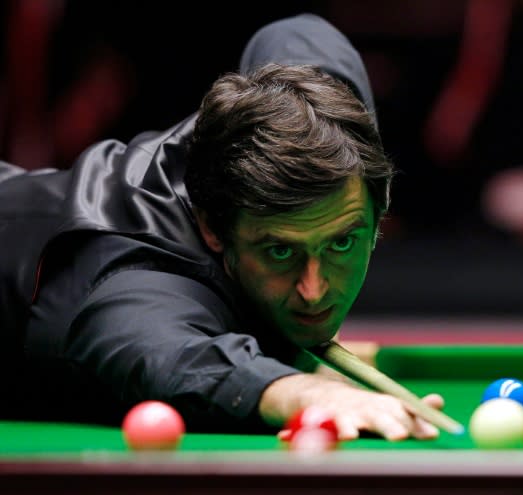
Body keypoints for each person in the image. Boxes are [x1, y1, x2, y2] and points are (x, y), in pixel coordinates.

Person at [0, 14, 442, 441]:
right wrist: (303, 392)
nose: (315, 289)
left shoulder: (321, 116)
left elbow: (298, 32)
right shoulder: (142, 276)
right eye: (280, 252)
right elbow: (164, 353)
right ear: (215, 228)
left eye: (341, 242)